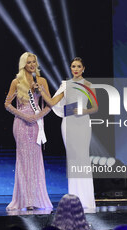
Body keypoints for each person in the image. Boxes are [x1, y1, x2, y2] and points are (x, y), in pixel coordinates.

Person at [35, 57, 97, 210]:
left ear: (83, 68)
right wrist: (42, 91)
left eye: (78, 66)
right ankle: (74, 199)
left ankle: (87, 200)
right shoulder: (66, 85)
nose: (75, 69)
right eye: (73, 66)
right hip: (69, 124)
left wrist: (84, 110)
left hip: (82, 123)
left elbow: (95, 107)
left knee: (82, 158)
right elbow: (52, 102)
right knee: (73, 159)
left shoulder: (89, 85)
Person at [4, 52, 53, 211]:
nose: (32, 65)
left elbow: (50, 104)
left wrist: (38, 115)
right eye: (29, 62)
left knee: (36, 161)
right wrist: (24, 116)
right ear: (23, 64)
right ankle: (24, 200)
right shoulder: (16, 81)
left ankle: (36, 199)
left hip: (36, 123)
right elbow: (7, 104)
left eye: (34, 62)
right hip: (21, 124)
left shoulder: (42, 81)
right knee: (24, 162)